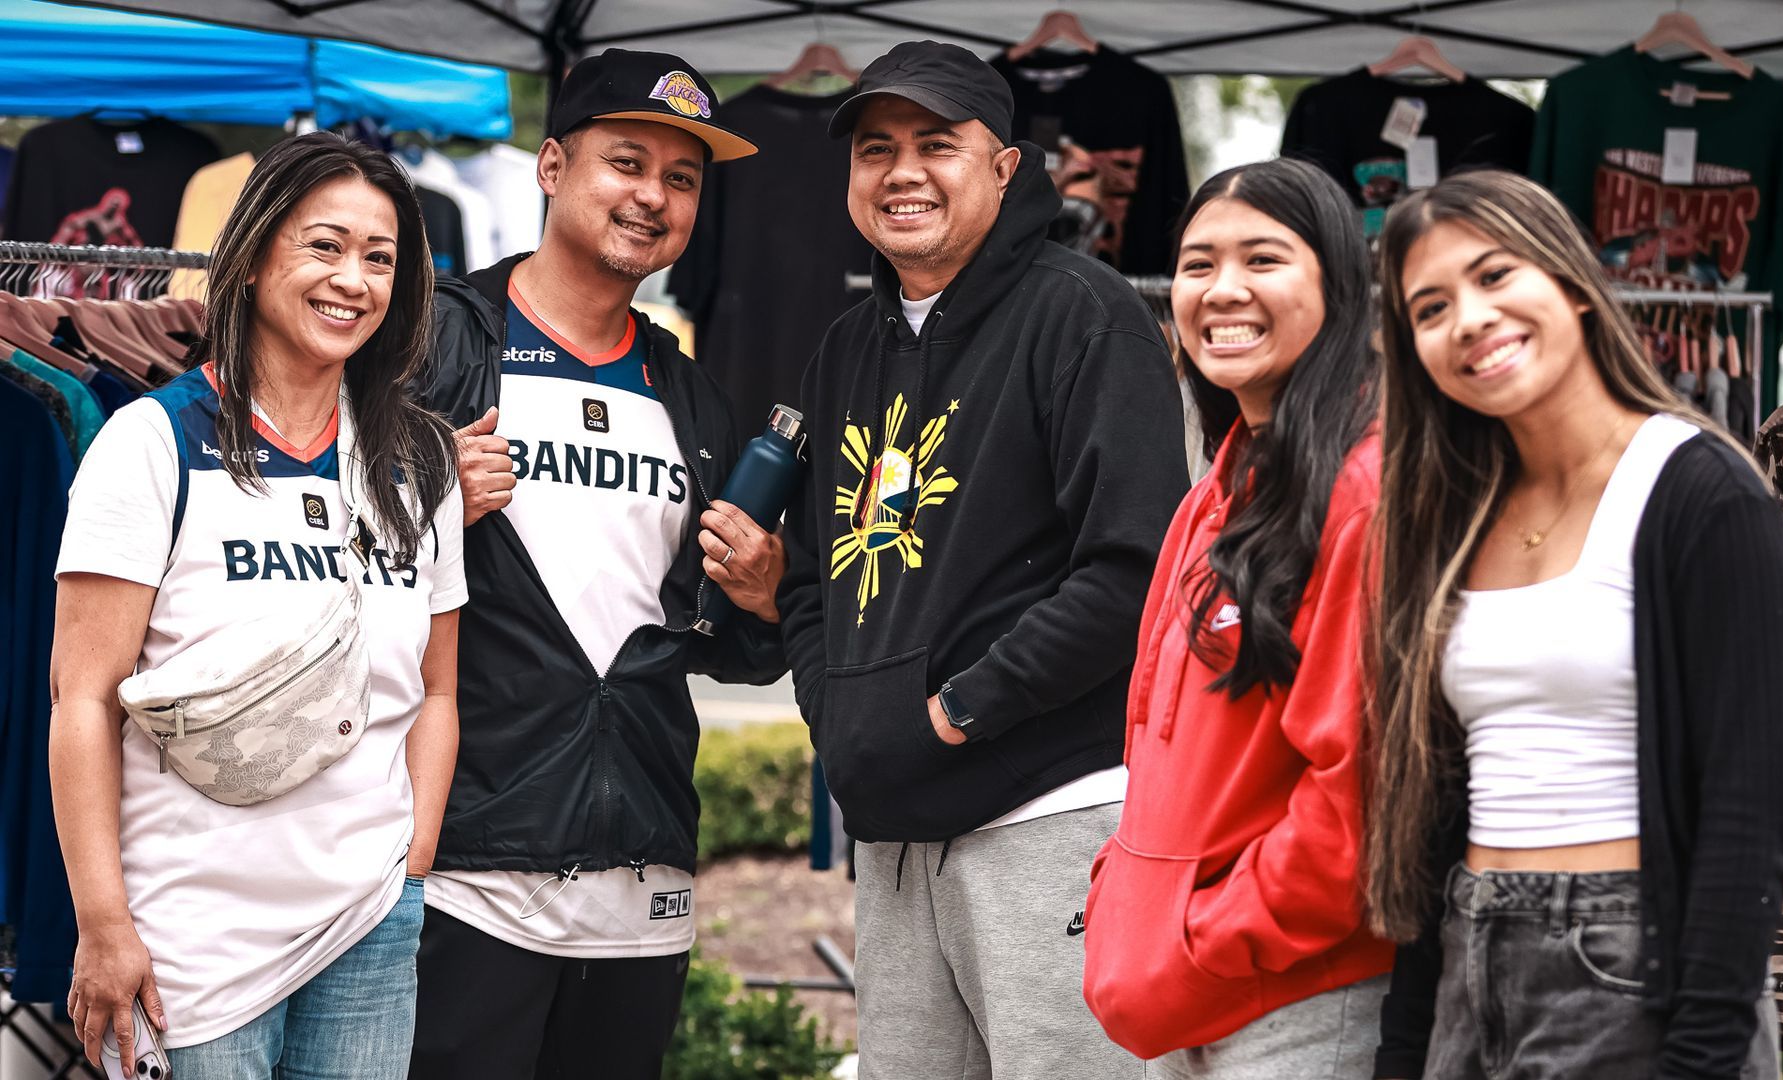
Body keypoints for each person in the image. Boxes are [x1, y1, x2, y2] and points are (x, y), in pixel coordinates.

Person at [778, 41, 1189, 1078]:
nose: (901, 172)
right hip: (894, 838)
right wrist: (842, 717)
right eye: (876, 149)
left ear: (1005, 168)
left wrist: (957, 712)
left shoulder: (1084, 313)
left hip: (1049, 815)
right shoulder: (845, 348)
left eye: (936, 144)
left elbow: (1135, 570)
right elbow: (814, 575)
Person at [1366, 170, 1783, 1079]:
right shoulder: (1450, 517)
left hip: (1630, 962)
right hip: (1470, 956)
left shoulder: (1701, 491)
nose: (1469, 319)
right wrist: (1404, 1049)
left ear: (1571, 281)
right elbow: (1434, 813)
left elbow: (1747, 815)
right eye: (1430, 308)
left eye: (1495, 275)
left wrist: (1703, 1056)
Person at [407, 50, 786, 1080]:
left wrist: (762, 598)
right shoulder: (436, 344)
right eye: (627, 162)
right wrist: (426, 505)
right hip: (464, 871)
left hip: (642, 879)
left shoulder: (692, 396)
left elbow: (728, 648)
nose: (653, 196)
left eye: (682, 178)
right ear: (550, 167)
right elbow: (330, 571)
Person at [50, 131, 462, 1078]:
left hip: (367, 923)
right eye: (325, 245)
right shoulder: (150, 443)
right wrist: (103, 923)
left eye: (380, 258)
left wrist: (411, 865)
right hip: (188, 940)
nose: (353, 280)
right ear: (250, 255)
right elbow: (82, 702)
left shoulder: (420, 463)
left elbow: (437, 689)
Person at [1081, 158, 1393, 1078]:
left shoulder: (1364, 490)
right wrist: (1136, 906)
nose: (1222, 290)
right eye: (1197, 264)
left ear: (1338, 285)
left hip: (1294, 997)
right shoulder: (1216, 490)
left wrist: (1208, 935)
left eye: (1263, 259)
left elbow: (1361, 794)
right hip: (1189, 993)